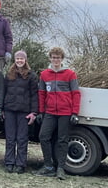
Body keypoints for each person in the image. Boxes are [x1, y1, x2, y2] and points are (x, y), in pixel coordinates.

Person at [36, 47, 81, 180]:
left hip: (65, 112)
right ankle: (48, 166)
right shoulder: (44, 74)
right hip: (49, 112)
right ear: (50, 58)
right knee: (43, 136)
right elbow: (42, 94)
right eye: (53, 57)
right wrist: (41, 111)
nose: (56, 60)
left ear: (62, 59)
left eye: (58, 58)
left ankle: (60, 168)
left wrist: (75, 112)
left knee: (62, 140)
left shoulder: (70, 74)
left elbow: (76, 94)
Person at [2, 50, 38, 174]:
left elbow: (34, 95)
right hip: (10, 110)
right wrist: (2, 108)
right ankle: (9, 162)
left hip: (24, 112)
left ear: (25, 60)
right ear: (15, 60)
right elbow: (4, 92)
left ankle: (20, 164)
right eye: (17, 59)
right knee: (10, 138)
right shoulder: (9, 74)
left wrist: (33, 112)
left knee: (22, 139)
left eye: (21, 59)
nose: (19, 61)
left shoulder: (31, 76)